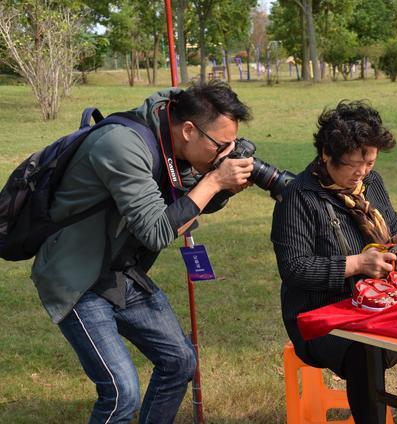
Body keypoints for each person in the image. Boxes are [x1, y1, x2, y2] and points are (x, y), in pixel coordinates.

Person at [30, 81, 254, 423]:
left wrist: (220, 188)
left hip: (119, 273)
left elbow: (183, 207)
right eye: (220, 146)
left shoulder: (171, 139)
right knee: (121, 394)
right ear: (189, 130)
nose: (224, 153)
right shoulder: (123, 145)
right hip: (76, 277)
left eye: (231, 146)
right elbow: (156, 231)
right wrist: (214, 182)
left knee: (180, 362)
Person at [271, 100, 397, 423]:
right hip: (320, 316)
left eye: (369, 163)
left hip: (379, 301)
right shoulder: (298, 198)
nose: (362, 173)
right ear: (327, 154)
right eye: (355, 164)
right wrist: (357, 264)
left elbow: (392, 226)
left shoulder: (372, 182)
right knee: (363, 351)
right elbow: (294, 268)